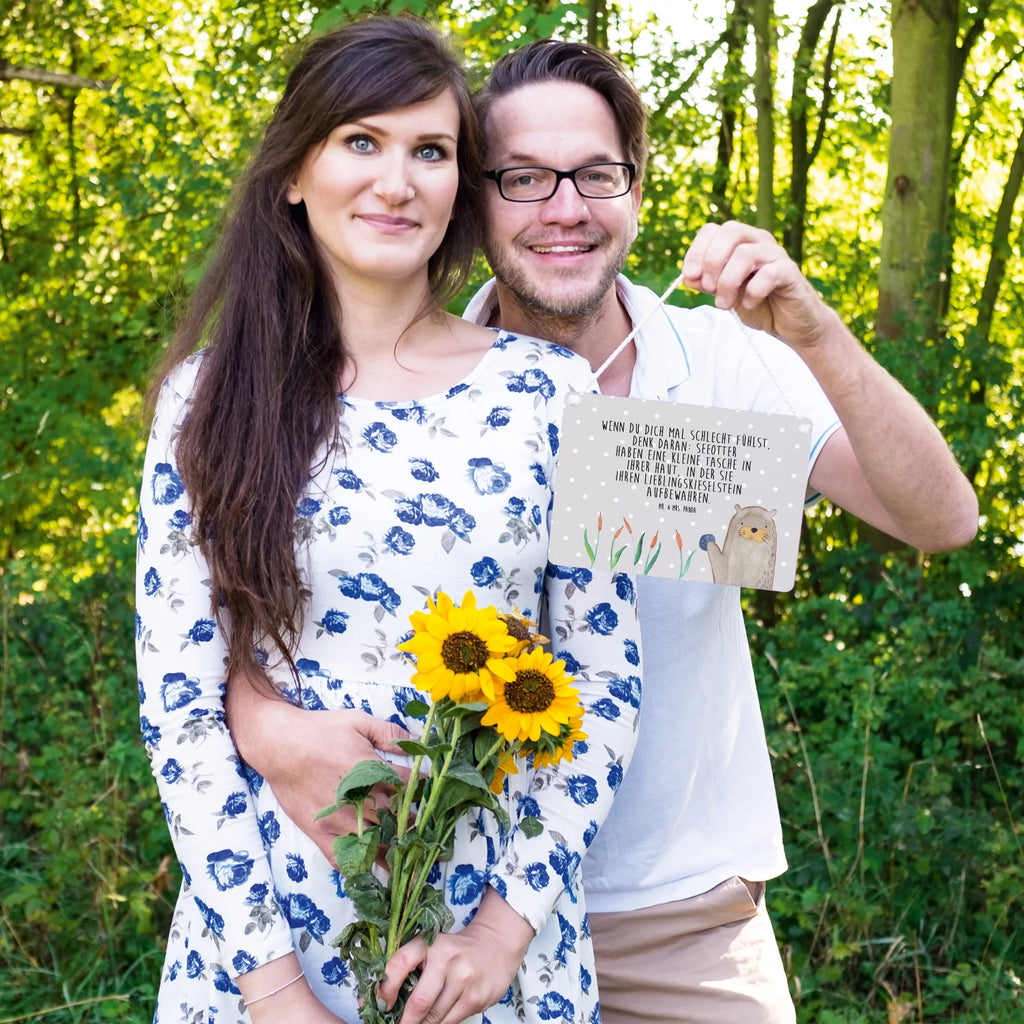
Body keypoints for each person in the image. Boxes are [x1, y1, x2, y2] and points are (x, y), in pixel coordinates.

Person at [226, 35, 979, 1024]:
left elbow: (941, 519)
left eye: (595, 173)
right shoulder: (403, 379)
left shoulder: (717, 358)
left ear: (636, 186)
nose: (565, 208)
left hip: (679, 920)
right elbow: (270, 617)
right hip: (455, 907)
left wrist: (810, 327)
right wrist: (260, 717)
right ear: (473, 196)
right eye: (526, 178)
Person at [136, 19, 641, 1024]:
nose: (397, 181)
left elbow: (606, 680)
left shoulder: (559, 392)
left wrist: (498, 935)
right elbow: (179, 708)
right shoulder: (206, 399)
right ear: (293, 172)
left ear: (460, 186)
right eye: (361, 142)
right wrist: (276, 994)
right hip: (266, 936)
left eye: (432, 152)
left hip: (488, 946)